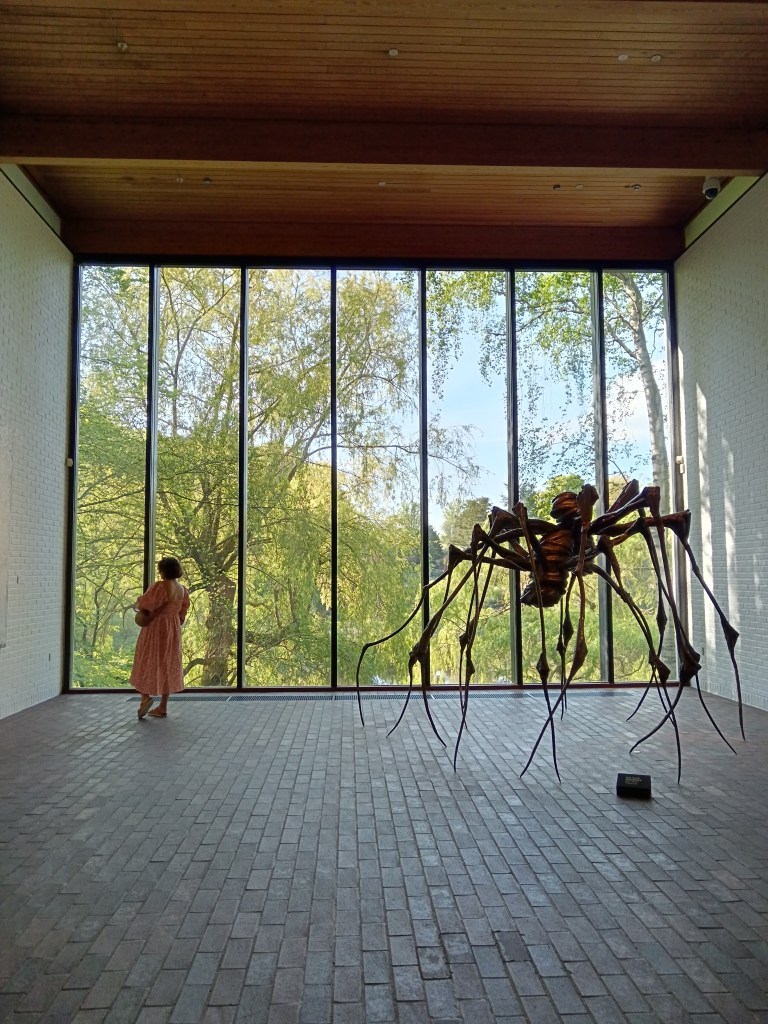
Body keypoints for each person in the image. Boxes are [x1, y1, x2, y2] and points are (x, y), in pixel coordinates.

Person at [131, 556, 190, 719]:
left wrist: (139, 604)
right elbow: (182, 613)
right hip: (172, 628)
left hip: (156, 628)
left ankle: (145, 697)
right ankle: (163, 706)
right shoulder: (182, 589)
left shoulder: (160, 587)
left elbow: (144, 604)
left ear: (162, 570)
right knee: (167, 663)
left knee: (147, 659)